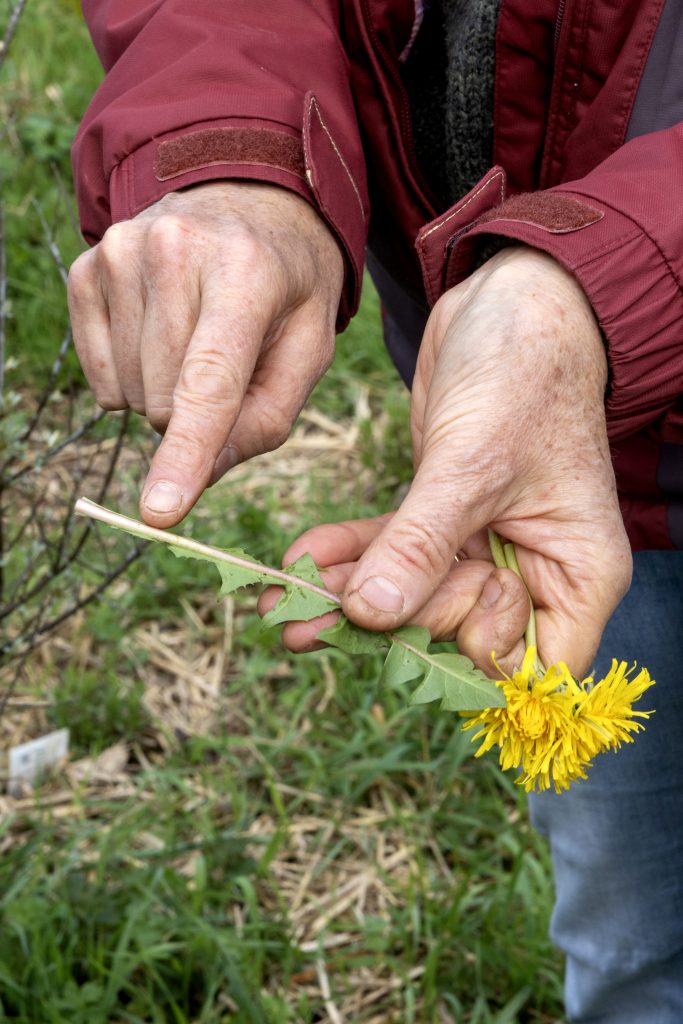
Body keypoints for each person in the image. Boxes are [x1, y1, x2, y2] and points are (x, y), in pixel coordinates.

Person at [68, 2, 683, 1020]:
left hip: (564, 369)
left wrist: (605, 282)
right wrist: (231, 144)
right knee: (627, 933)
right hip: (559, 472)